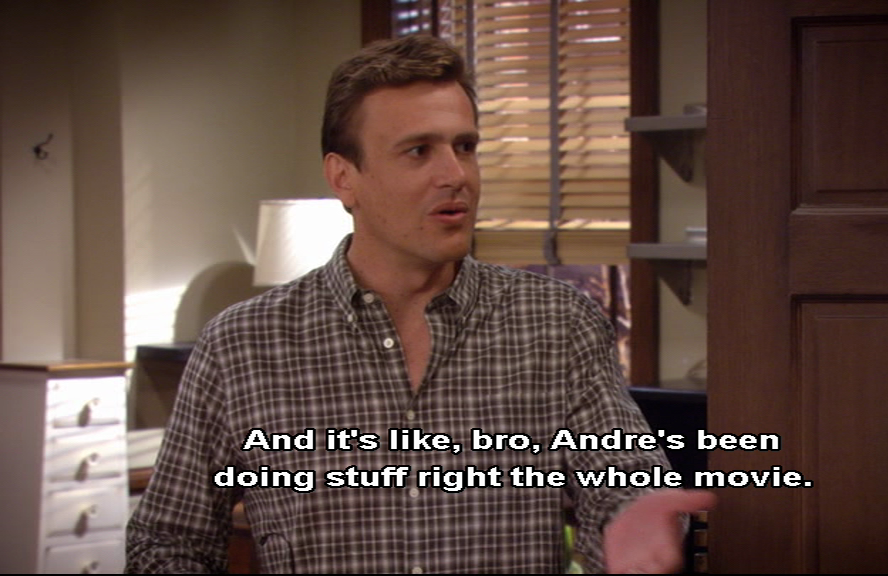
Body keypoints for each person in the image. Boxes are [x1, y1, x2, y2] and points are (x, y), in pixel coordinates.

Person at [126, 34, 715, 574]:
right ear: (344, 178)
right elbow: (167, 543)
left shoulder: (557, 326)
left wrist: (641, 524)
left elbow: (625, 487)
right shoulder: (241, 346)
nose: (456, 174)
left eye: (465, 146)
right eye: (418, 151)